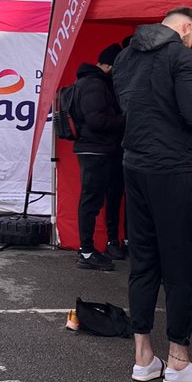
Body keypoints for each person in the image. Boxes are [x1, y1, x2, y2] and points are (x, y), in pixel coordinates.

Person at [111, 7, 192, 382]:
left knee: (143, 260)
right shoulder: (179, 55)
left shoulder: (126, 55)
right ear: (187, 29)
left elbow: (125, 106)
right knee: (180, 262)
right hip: (171, 168)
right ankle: (179, 361)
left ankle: (143, 357)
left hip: (134, 164)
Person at [73, 42, 126, 271]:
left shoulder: (89, 81)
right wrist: (124, 119)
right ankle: (86, 251)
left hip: (94, 148)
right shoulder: (94, 84)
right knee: (90, 201)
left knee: (92, 200)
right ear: (108, 65)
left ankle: (87, 249)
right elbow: (97, 120)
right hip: (95, 149)